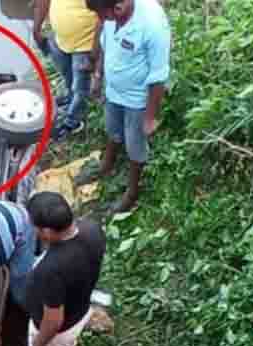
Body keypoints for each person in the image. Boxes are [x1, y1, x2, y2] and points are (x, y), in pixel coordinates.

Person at [76, 0, 172, 215]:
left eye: (107, 15)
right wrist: (98, 76)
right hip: (113, 91)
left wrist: (150, 117)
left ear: (120, 5)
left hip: (137, 100)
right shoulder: (109, 15)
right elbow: (105, 44)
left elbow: (159, 75)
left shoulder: (152, 24)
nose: (104, 20)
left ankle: (132, 192)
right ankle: (106, 166)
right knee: (112, 129)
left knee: (135, 146)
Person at [24, 191, 106, 346]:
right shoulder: (92, 230)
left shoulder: (52, 269)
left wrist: (40, 342)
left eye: (35, 227)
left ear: (47, 232)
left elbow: (53, 319)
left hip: (57, 330)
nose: (34, 231)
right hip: (81, 311)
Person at [33, 0, 102, 142]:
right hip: (60, 39)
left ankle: (72, 123)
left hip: (85, 44)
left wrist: (95, 53)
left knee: (80, 90)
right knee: (67, 76)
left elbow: (104, 16)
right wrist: (36, 29)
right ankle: (69, 98)